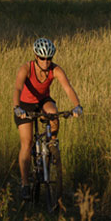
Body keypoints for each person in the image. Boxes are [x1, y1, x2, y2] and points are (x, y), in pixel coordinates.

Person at [13, 37, 83, 200]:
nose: (46, 62)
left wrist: (77, 105)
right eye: (42, 58)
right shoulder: (26, 69)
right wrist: (17, 108)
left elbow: (68, 88)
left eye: (49, 58)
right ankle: (25, 184)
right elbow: (17, 88)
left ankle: (52, 146)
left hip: (43, 101)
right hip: (25, 105)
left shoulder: (55, 70)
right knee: (27, 142)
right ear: (36, 57)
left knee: (54, 114)